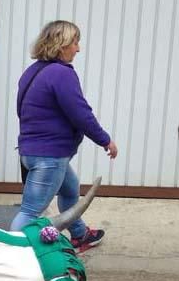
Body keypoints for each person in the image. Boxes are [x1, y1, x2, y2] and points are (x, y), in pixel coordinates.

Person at [9, 20, 118, 252]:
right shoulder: (61, 74)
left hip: (32, 152)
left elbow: (21, 109)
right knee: (30, 211)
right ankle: (10, 253)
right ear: (61, 45)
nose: (78, 48)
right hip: (48, 156)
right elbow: (81, 114)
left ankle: (79, 234)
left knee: (70, 189)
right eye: (75, 42)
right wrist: (105, 140)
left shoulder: (32, 72)